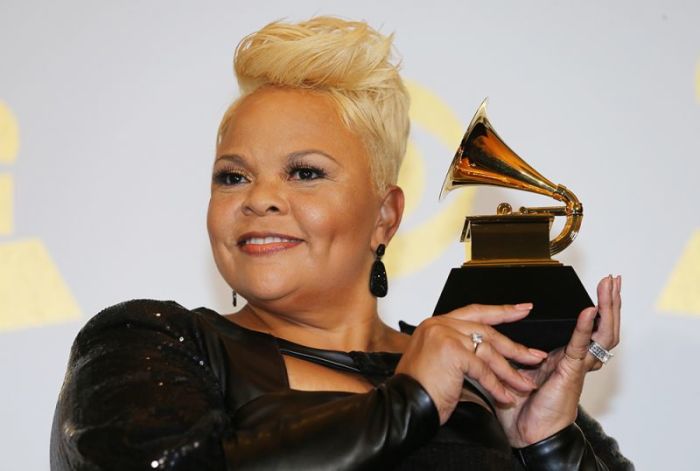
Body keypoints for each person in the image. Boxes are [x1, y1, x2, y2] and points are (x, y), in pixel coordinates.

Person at [50, 17, 632, 470]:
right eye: (233, 175)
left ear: (385, 215)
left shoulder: (480, 372)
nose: (259, 198)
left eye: (305, 172)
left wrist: (544, 443)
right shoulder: (150, 341)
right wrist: (413, 400)